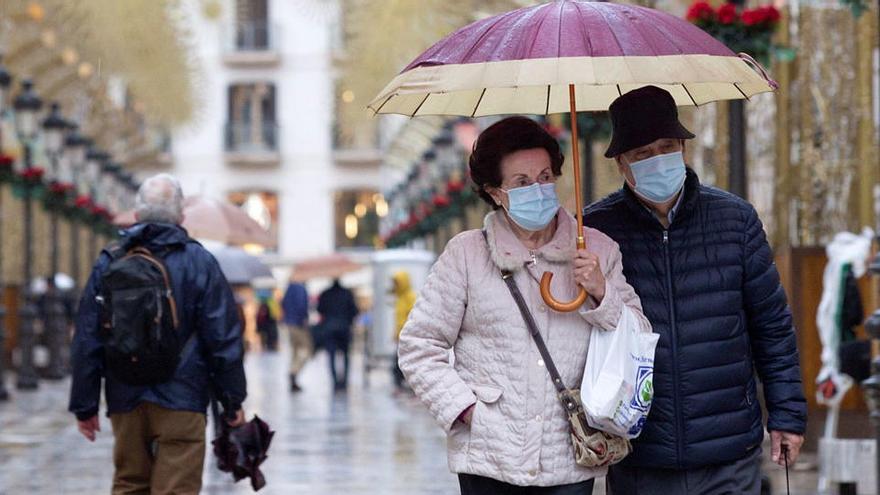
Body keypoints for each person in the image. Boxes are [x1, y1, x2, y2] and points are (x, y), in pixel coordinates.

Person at [398, 116, 651, 494]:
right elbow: (419, 345)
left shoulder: (596, 249)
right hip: (489, 458)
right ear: (495, 192)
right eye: (521, 182)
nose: (539, 189)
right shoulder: (466, 254)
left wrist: (601, 292)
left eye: (546, 177)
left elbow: (639, 339)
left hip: (570, 454)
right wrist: (465, 411)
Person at [584, 86, 807, 494]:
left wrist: (787, 415)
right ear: (621, 163)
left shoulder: (735, 220)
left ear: (683, 148)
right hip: (640, 454)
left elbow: (772, 327)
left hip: (728, 450)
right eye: (642, 154)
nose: (657, 160)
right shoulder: (595, 233)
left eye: (666, 147)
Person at [69, 174, 247, 495]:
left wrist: (85, 405)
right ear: (181, 217)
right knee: (176, 488)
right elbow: (222, 337)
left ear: (136, 215)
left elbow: (87, 337)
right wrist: (232, 401)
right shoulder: (200, 262)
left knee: (129, 482)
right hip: (183, 396)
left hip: (125, 396)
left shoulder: (110, 260)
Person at [317, 278, 359, 391]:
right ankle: (344, 381)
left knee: (331, 356)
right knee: (345, 356)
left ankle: (335, 382)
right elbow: (354, 311)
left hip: (329, 329)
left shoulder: (325, 294)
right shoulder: (347, 293)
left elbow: (320, 309)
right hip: (344, 328)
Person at [282, 280, 312, 392]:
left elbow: (283, 303)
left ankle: (293, 377)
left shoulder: (289, 287)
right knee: (306, 350)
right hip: (298, 325)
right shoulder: (300, 288)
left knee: (295, 352)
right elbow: (301, 305)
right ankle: (293, 372)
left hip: (290, 324)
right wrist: (303, 319)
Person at [390, 270, 416, 392]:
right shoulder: (399, 298)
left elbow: (412, 317)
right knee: (399, 361)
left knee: (402, 361)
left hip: (408, 335)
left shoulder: (410, 297)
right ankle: (400, 384)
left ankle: (403, 384)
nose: (395, 286)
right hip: (401, 335)